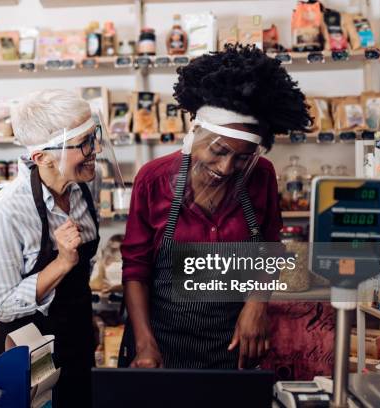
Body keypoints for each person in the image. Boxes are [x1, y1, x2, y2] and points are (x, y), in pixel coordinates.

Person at [119, 45, 312, 370]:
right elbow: (135, 268)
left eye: (241, 157)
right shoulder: (153, 179)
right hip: (162, 345)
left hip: (235, 345)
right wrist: (145, 345)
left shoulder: (261, 176)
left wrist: (256, 304)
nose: (226, 167)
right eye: (218, 151)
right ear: (195, 135)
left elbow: (270, 248)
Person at [0, 89, 110, 408]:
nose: (94, 149)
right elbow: (3, 306)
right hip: (28, 351)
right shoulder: (7, 209)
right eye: (83, 144)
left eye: (93, 135)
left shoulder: (86, 183)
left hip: (77, 338)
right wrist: (63, 262)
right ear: (42, 157)